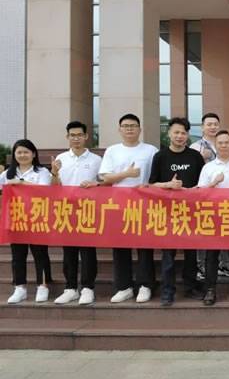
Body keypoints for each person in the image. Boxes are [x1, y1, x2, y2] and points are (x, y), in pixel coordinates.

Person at [98, 113, 158, 304]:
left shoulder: (150, 150)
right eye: (125, 126)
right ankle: (124, 287)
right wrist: (127, 174)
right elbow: (105, 178)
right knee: (120, 247)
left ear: (140, 129)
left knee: (144, 247)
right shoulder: (112, 151)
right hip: (118, 204)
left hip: (144, 204)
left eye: (133, 125)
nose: (129, 129)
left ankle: (145, 285)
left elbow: (155, 177)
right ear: (120, 129)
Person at [149, 117, 205, 306]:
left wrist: (192, 190)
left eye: (183, 133)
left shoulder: (195, 157)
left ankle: (190, 287)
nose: (180, 136)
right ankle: (168, 291)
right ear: (169, 133)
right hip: (167, 213)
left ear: (187, 135)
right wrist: (168, 185)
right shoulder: (160, 156)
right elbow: (151, 184)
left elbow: (202, 184)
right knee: (168, 255)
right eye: (176, 132)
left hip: (191, 212)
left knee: (191, 254)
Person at [51, 121, 102, 305]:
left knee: (88, 250)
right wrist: (54, 173)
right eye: (72, 135)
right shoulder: (61, 158)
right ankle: (70, 288)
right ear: (67, 137)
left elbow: (104, 184)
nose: (76, 138)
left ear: (86, 136)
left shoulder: (96, 160)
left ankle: (88, 288)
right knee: (69, 251)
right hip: (66, 210)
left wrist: (95, 184)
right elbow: (54, 187)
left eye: (79, 135)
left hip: (88, 209)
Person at [197, 129, 229, 304]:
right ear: (216, 145)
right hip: (213, 215)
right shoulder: (208, 167)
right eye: (220, 143)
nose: (224, 145)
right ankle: (210, 289)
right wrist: (214, 183)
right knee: (212, 254)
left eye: (227, 142)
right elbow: (201, 193)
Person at [1, 139, 53, 304]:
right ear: (14, 155)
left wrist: (21, 183)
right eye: (19, 152)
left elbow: (45, 190)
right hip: (16, 219)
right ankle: (20, 287)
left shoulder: (42, 172)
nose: (22, 155)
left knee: (40, 254)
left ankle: (43, 286)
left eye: (26, 152)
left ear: (33, 154)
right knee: (18, 255)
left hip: (37, 218)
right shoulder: (6, 174)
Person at [190, 113, 225, 279]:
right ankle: (201, 267)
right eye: (209, 124)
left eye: (215, 124)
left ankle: (222, 265)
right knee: (203, 231)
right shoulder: (195, 147)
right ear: (202, 127)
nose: (212, 127)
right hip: (203, 195)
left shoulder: (222, 144)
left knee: (223, 230)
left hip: (222, 197)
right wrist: (200, 158)